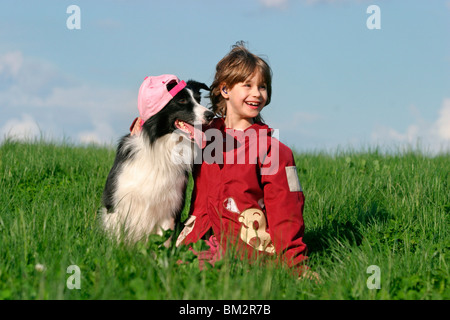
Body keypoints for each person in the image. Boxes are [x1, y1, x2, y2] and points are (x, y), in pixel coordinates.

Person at [176, 42, 316, 280]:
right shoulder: (203, 137)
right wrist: (142, 123)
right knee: (167, 272)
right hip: (196, 239)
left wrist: (296, 265)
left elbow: (286, 211)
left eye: (262, 87)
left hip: (245, 247)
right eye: (248, 85)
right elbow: (161, 133)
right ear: (225, 89)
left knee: (208, 277)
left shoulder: (273, 150)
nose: (257, 93)